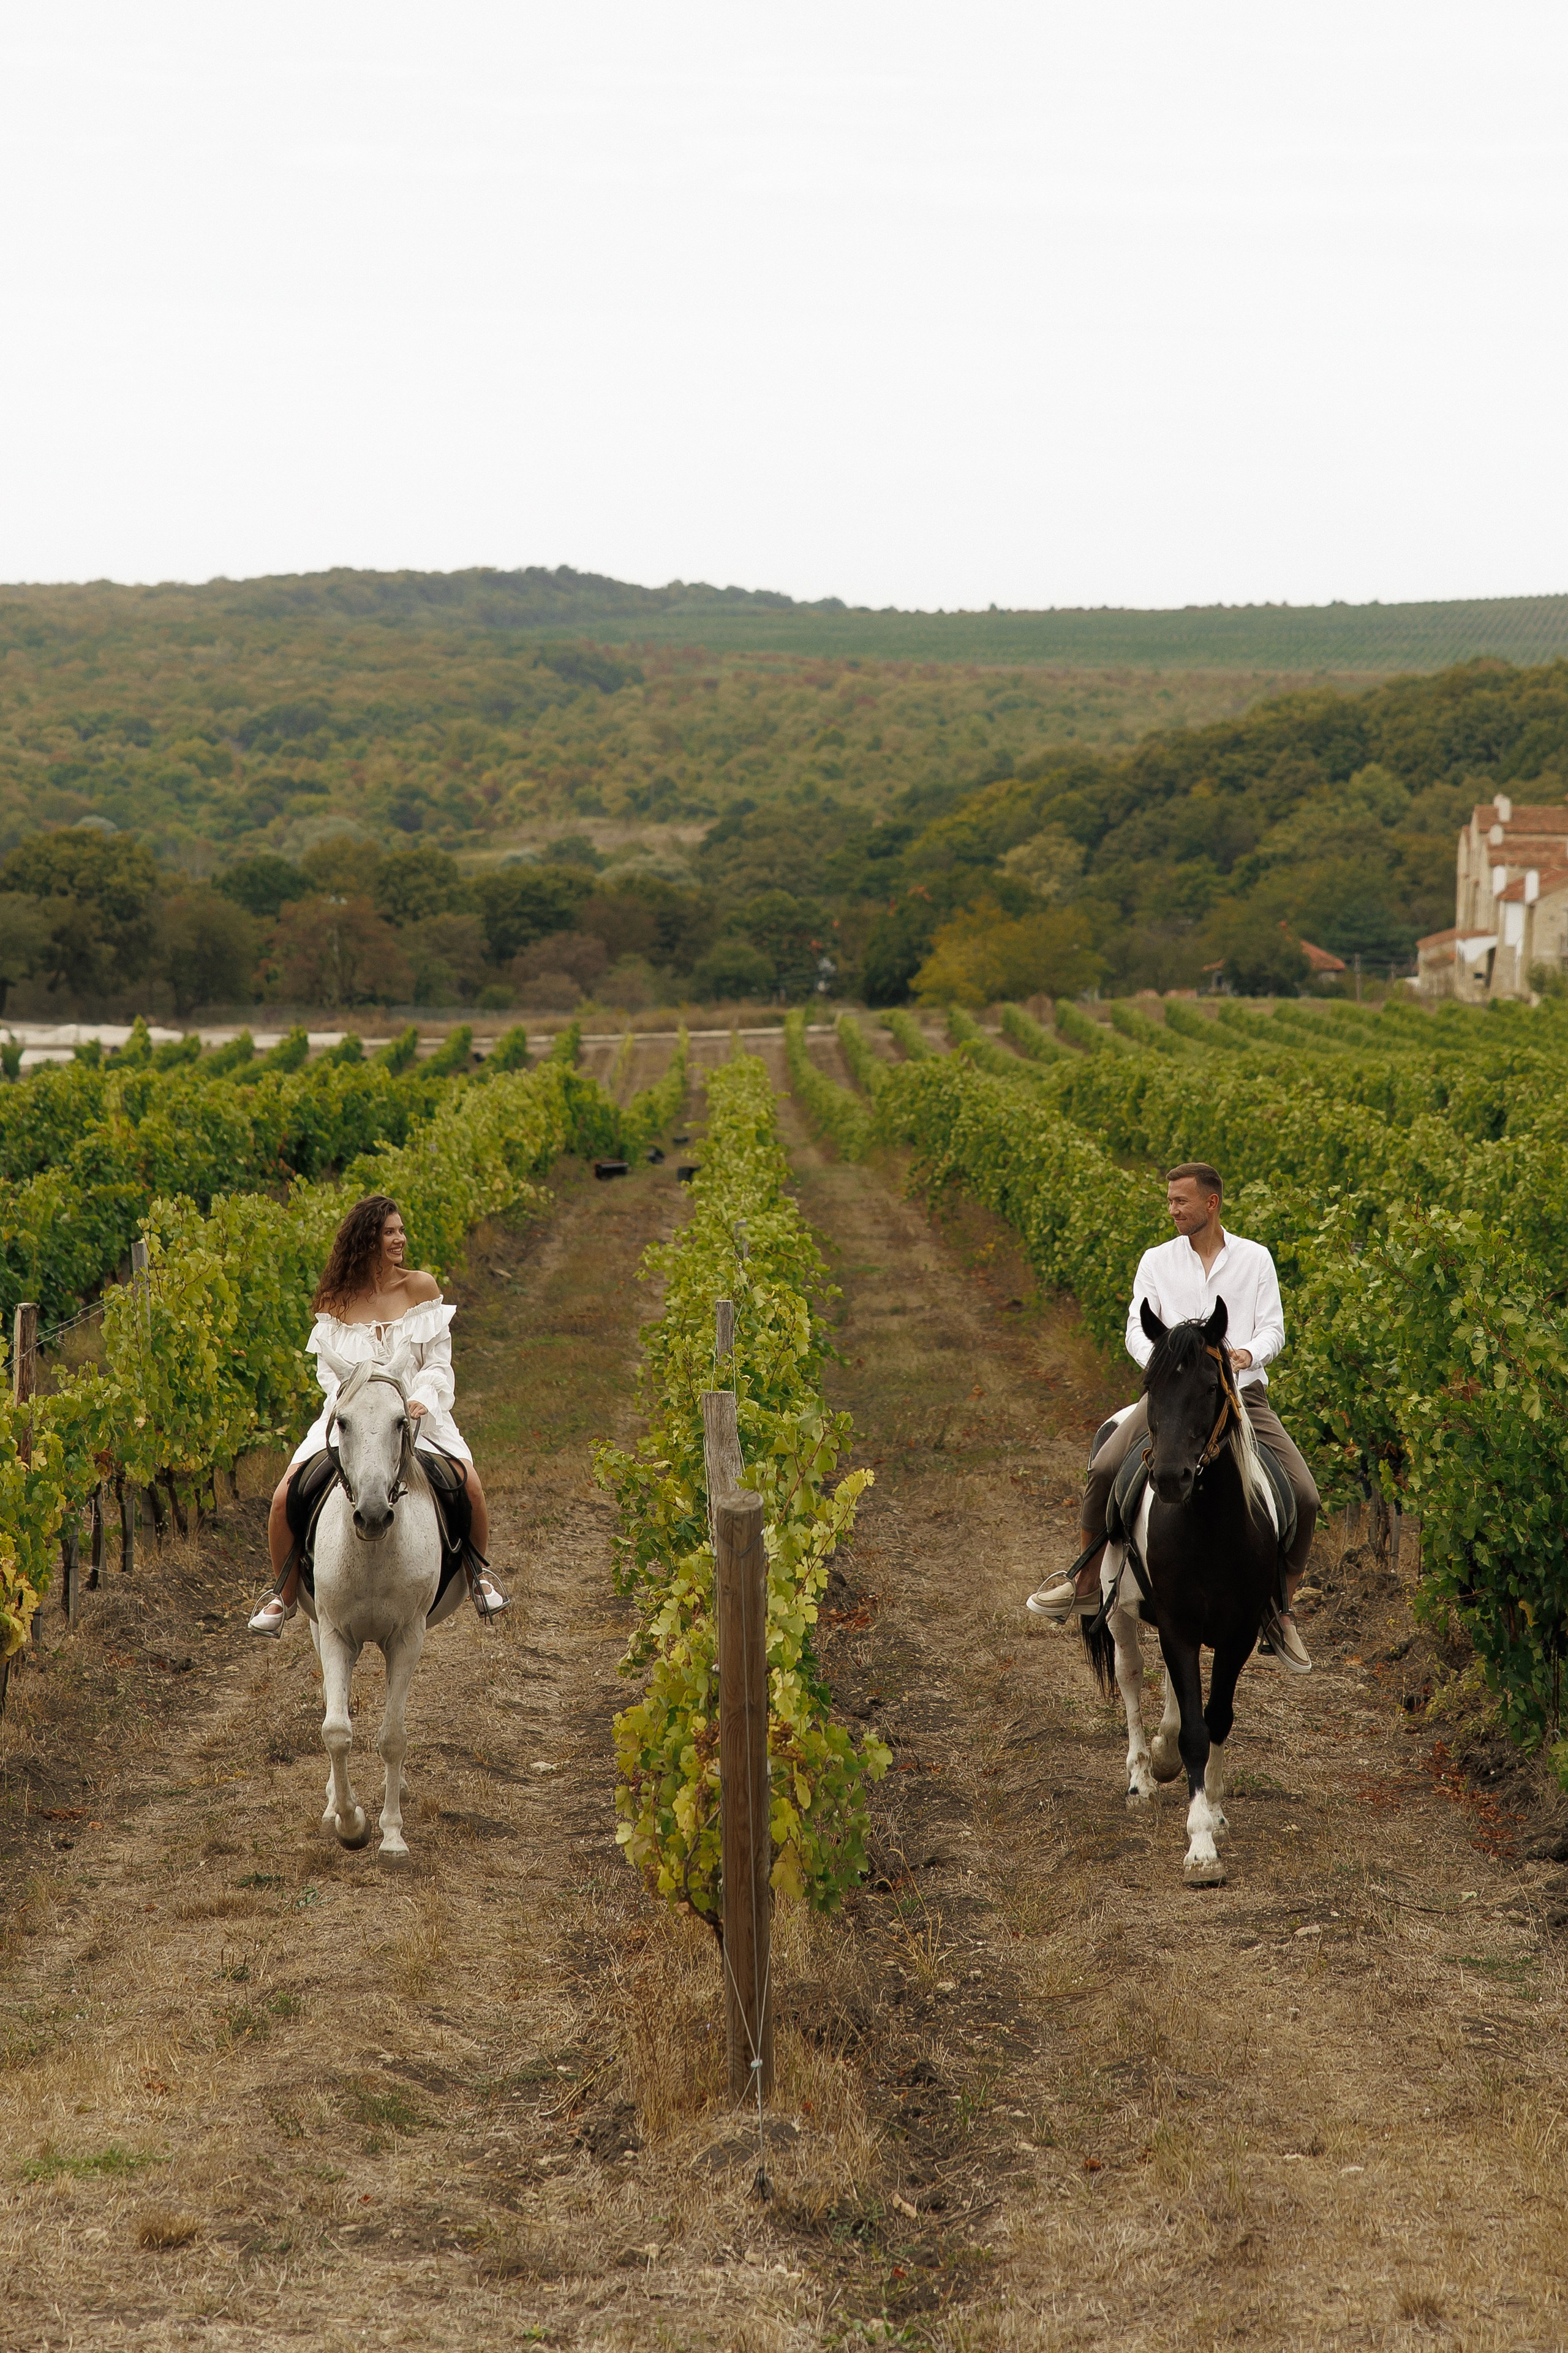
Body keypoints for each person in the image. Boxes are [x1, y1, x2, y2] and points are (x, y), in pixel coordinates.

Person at [1028, 1160, 1317, 1672]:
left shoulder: (1256, 1259)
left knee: (1305, 1493)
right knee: (1103, 1467)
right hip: (1168, 1399)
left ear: (1212, 1203)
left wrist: (1246, 1355)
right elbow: (1136, 1330)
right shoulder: (1156, 1261)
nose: (1172, 1210)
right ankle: (1088, 1580)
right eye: (1169, 1201)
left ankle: (1281, 1609)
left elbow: (1274, 1329)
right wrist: (1168, 1371)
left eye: (1181, 1201)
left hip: (1239, 1399)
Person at [247, 1193, 508, 1635]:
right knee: (281, 1498)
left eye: (401, 1230)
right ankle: (283, 1596)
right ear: (366, 1238)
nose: (400, 1238)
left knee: (472, 1488)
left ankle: (478, 1576)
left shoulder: (421, 1287)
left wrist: (422, 1398)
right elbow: (328, 1374)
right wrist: (349, 1409)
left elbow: (438, 1361)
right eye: (390, 1231)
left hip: (418, 1417)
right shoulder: (336, 1299)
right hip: (350, 1419)